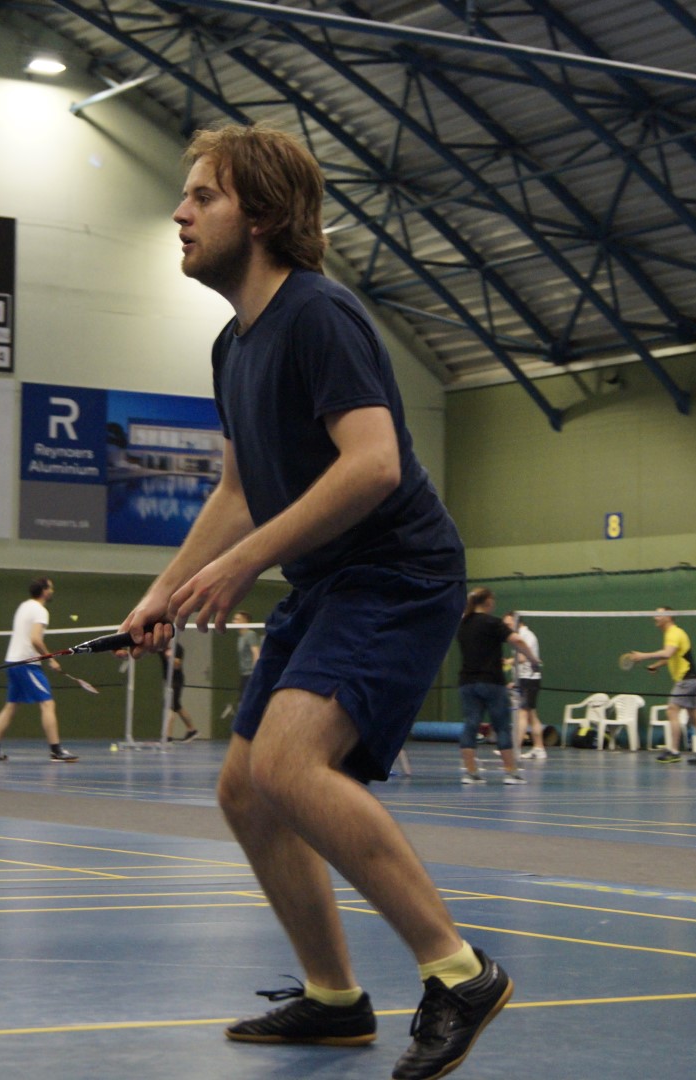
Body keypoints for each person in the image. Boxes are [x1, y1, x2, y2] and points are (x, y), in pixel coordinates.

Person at [117, 125, 512, 1080]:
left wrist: (243, 565)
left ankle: (457, 973)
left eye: (202, 196)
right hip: (326, 580)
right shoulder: (233, 345)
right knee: (245, 790)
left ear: (258, 214)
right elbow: (238, 491)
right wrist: (164, 591)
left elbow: (373, 466)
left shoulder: (318, 314)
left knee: (290, 764)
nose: (178, 212)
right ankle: (335, 999)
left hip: (395, 572)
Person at [0, 577, 78, 763]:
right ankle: (56, 751)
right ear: (44, 591)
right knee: (47, 704)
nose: (52, 591)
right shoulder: (40, 610)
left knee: (11, 705)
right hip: (26, 664)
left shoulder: (23, 606)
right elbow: (35, 639)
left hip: (12, 662)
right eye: (50, 588)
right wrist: (50, 659)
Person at [457, 589, 537, 785]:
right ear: (487, 601)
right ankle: (511, 773)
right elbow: (517, 640)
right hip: (492, 682)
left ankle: (470, 773)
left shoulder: (462, 623)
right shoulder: (492, 622)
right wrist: (532, 659)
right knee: (502, 727)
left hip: (467, 683)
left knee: (470, 725)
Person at [624, 608, 696, 765]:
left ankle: (674, 751)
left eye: (659, 614)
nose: (655, 617)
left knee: (672, 710)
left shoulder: (673, 633)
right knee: (695, 717)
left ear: (668, 617)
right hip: (694, 679)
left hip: (686, 679)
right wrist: (656, 665)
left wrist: (643, 656)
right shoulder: (674, 633)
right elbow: (671, 656)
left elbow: (667, 653)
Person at [507, 612, 547, 761]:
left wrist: (508, 661)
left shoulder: (527, 636)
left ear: (518, 622)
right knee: (531, 716)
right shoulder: (518, 636)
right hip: (524, 679)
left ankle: (514, 749)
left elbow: (524, 657)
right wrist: (515, 681)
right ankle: (539, 748)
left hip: (530, 680)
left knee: (522, 714)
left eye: (509, 624)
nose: (507, 626)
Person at [159, 640, 201, 742]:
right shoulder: (161, 645)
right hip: (168, 681)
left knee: (170, 706)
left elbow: (177, 665)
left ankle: (168, 737)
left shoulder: (178, 648)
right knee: (177, 706)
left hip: (176, 681)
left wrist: (170, 657)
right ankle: (192, 730)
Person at [234, 609, 261, 714]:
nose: (234, 621)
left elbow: (256, 653)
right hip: (244, 674)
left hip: (251, 674)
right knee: (241, 703)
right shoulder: (241, 637)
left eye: (237, 619)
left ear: (244, 620)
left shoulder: (250, 635)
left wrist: (255, 674)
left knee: (246, 704)